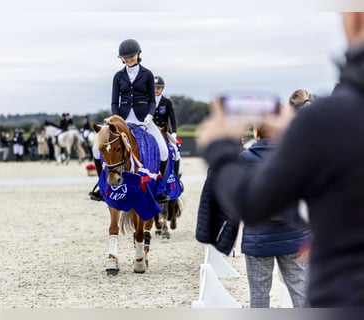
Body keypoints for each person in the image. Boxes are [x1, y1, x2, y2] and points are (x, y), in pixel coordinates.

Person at [196, 12, 364, 307]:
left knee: (162, 148)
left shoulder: (330, 120)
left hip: (344, 294)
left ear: (355, 20)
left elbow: (253, 201)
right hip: (293, 242)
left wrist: (221, 148)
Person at [89, 39, 169, 203]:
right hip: (122, 119)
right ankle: (101, 185)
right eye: (125, 57)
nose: (129, 59)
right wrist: (115, 119)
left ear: (138, 55)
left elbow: (152, 100)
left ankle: (160, 188)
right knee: (96, 150)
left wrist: (149, 115)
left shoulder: (147, 74)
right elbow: (114, 102)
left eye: (131, 56)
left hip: (143, 118)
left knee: (164, 151)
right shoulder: (118, 76)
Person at [240, 123, 310, 308]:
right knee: (300, 290)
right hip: (293, 234)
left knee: (259, 294)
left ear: (256, 133)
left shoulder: (244, 158)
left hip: (257, 236)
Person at [153, 75, 181, 175]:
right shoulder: (147, 102)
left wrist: (174, 132)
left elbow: (172, 119)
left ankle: (176, 175)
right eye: (154, 88)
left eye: (158, 88)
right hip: (151, 131)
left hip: (164, 131)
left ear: (162, 88)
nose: (156, 90)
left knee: (175, 150)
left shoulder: (167, 102)